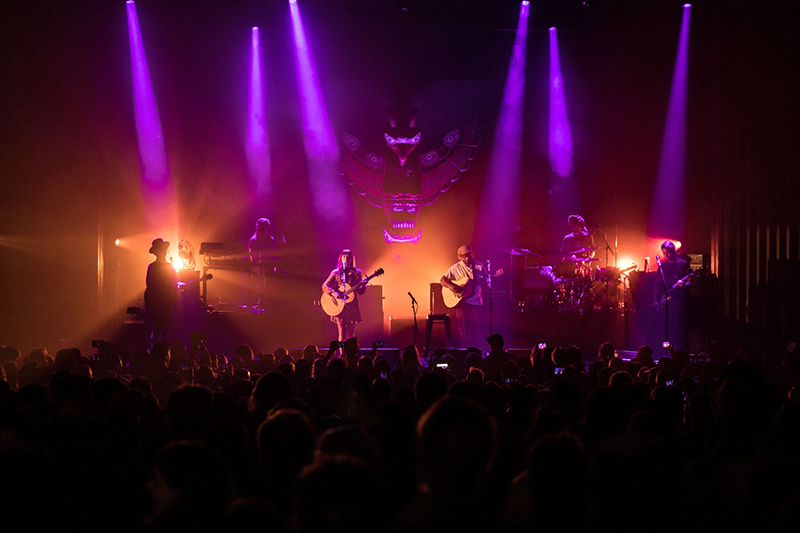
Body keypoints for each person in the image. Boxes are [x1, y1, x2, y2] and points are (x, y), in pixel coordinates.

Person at [440, 245, 488, 349]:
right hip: (461, 303)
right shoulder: (455, 268)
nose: (467, 258)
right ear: (459, 257)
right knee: (463, 329)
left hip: (475, 301)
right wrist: (452, 287)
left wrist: (481, 282)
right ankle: (465, 350)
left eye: (468, 255)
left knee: (478, 328)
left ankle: (479, 350)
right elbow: (443, 280)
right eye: (463, 256)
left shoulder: (479, 266)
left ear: (472, 253)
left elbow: (485, 283)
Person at [322, 250, 366, 347]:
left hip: (352, 306)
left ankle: (350, 354)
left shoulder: (357, 273)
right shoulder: (336, 272)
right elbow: (325, 286)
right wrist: (334, 293)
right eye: (344, 257)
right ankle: (342, 355)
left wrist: (363, 286)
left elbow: (360, 292)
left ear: (351, 259)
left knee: (350, 335)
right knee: (341, 334)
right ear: (340, 258)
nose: (346, 259)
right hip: (339, 306)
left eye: (348, 257)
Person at [145, 238, 178, 345]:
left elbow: (149, 285)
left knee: (158, 330)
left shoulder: (153, 267)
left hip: (158, 303)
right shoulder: (168, 267)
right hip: (163, 304)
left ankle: (155, 353)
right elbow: (174, 285)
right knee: (163, 331)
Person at [248, 218, 276, 309]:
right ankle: (262, 301)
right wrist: (261, 267)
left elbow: (273, 255)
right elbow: (253, 258)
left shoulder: (271, 240)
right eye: (266, 227)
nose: (268, 229)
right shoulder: (254, 241)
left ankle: (272, 301)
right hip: (258, 268)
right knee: (264, 277)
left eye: (269, 227)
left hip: (269, 267)